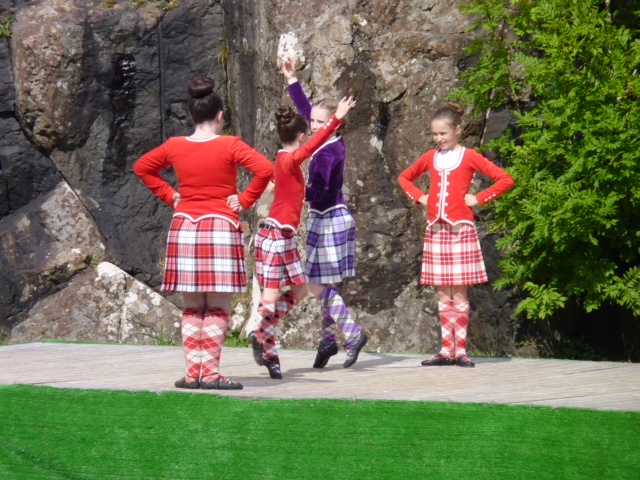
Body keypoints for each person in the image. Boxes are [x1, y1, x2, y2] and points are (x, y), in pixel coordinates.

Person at [134, 76, 274, 389]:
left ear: (193, 115)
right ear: (220, 115)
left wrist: (170, 196)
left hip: (184, 228)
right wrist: (246, 199)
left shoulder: (174, 146)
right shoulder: (231, 144)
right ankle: (209, 373)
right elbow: (266, 169)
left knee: (193, 306)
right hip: (220, 227)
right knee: (218, 306)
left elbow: (142, 167)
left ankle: (191, 374)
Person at [398, 102, 515, 368]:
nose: (439, 139)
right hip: (437, 230)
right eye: (435, 134)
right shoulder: (430, 157)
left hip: (461, 229)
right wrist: (421, 197)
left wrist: (480, 198)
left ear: (458, 131)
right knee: (442, 295)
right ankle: (445, 350)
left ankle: (460, 349)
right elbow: (404, 178)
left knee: (460, 294)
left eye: (443, 134)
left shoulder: (470, 156)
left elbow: (505, 179)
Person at [248, 95, 356, 380]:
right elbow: (310, 147)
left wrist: (293, 81)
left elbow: (307, 137)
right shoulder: (290, 158)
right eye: (310, 127)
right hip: (275, 238)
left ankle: (261, 334)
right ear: (302, 134)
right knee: (270, 298)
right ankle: (266, 346)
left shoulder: (286, 162)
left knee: (301, 289)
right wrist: (336, 119)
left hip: (284, 238)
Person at [280, 58, 367, 370]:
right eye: (313, 122)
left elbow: (319, 192)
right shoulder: (324, 138)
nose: (312, 126)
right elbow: (305, 109)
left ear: (332, 124)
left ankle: (353, 335)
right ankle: (328, 341)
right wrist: (292, 79)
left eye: (318, 123)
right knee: (325, 285)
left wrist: (292, 185)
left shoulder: (328, 152)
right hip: (327, 219)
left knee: (316, 284)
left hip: (330, 219)